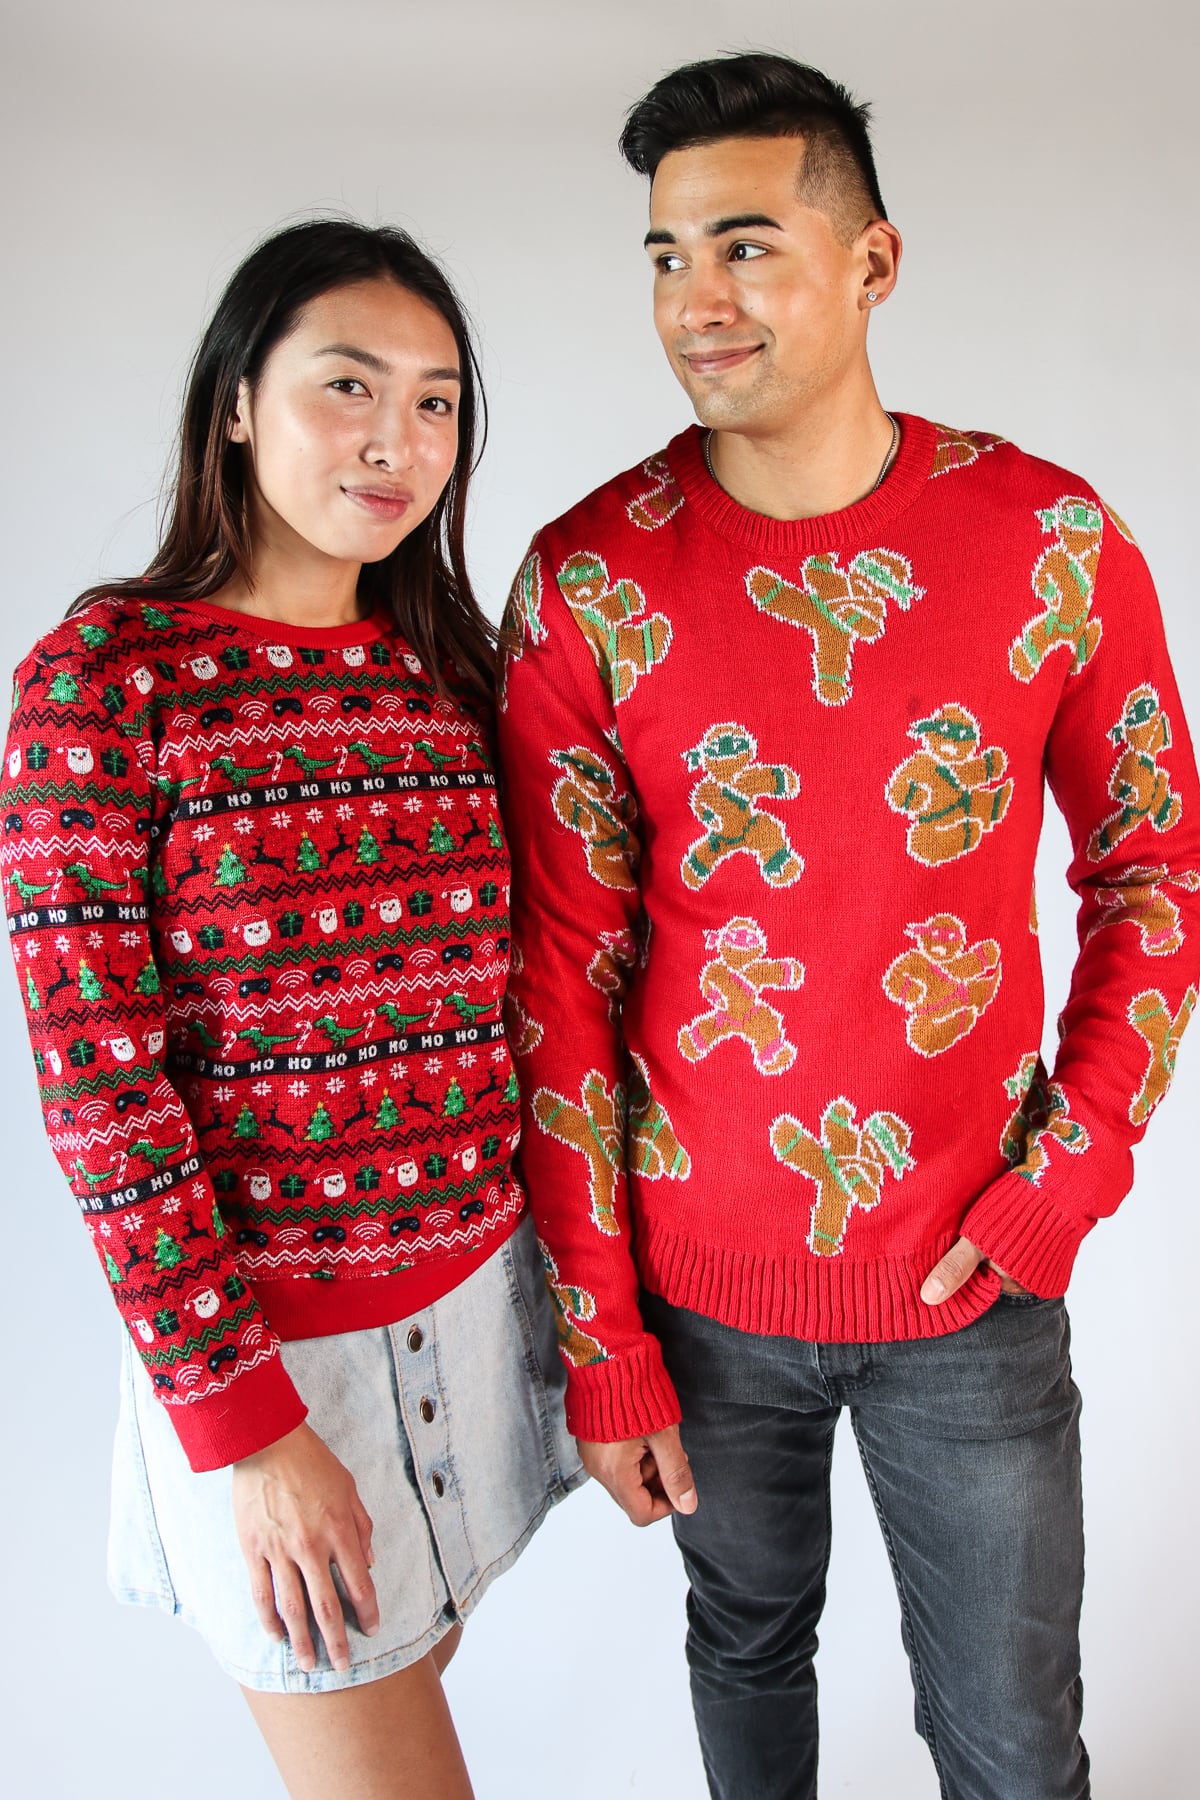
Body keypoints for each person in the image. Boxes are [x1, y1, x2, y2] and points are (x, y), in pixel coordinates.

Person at [496, 52, 1200, 1800]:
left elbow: (1156, 872)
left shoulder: (1050, 542)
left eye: (744, 244)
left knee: (1015, 1743)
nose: (697, 302)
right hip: (699, 1295)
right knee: (745, 1660)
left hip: (974, 1275)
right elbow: (559, 980)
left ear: (874, 260)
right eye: (664, 256)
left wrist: (1072, 1171)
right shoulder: (587, 580)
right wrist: (601, 1332)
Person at [0, 217, 582, 1800]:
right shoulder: (106, 679)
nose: (400, 442)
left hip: (481, 1311)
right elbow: (103, 1091)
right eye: (350, 386)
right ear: (239, 400)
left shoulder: (449, 669)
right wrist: (250, 1432)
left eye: (440, 401)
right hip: (274, 1363)